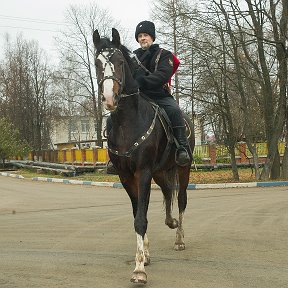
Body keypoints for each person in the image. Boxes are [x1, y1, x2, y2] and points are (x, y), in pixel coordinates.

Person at [133, 20, 190, 166]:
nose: (142, 38)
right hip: (139, 97)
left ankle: (182, 148)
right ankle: (116, 156)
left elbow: (163, 75)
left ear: (152, 37)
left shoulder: (164, 55)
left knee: (175, 110)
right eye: (140, 36)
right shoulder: (133, 59)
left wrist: (142, 82)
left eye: (145, 35)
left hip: (159, 95)